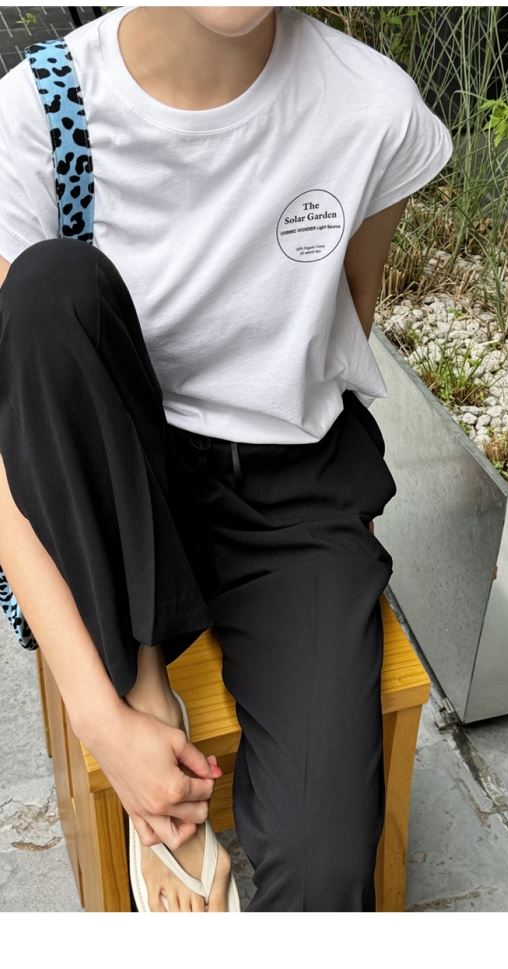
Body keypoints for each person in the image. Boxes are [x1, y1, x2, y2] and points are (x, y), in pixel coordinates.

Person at [0, 5, 453, 911]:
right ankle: (148, 691)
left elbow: (340, 323)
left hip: (291, 495)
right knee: (52, 290)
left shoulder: (372, 108)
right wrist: (105, 717)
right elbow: (17, 435)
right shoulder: (42, 109)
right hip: (118, 480)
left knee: (325, 870)